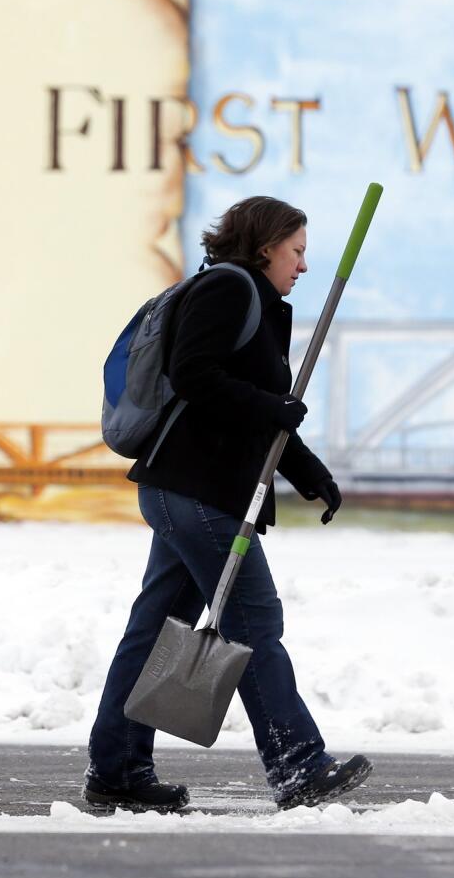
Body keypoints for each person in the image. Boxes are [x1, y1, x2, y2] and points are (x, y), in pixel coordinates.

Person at [84, 195, 371, 814]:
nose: (302, 266)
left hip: (190, 486)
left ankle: (117, 770)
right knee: (254, 621)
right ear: (266, 246)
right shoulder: (229, 291)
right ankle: (297, 765)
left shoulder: (255, 302)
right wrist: (273, 410)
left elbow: (260, 411)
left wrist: (308, 470)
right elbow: (196, 376)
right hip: (197, 490)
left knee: (155, 628)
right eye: (296, 252)